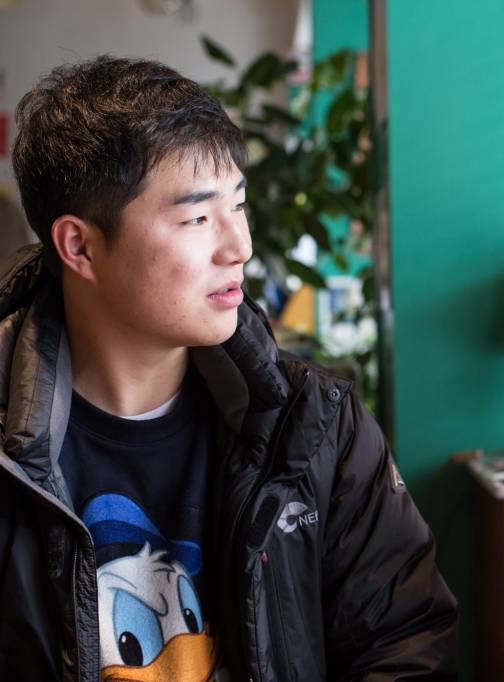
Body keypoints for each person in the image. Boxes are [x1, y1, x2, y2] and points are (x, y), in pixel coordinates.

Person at [0, 56, 457, 681]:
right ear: (80, 246)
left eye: (238, 205)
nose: (239, 246)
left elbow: (406, 644)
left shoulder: (314, 427)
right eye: (196, 217)